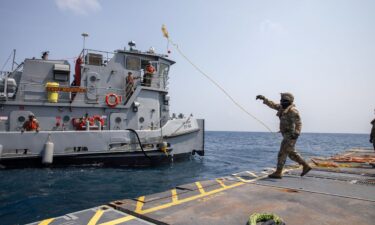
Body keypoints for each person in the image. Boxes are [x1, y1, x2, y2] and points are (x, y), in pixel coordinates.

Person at [256, 92, 311, 179]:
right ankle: (306, 165)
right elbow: (272, 104)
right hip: (285, 134)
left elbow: (299, 123)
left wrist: (297, 132)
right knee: (291, 153)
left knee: (282, 153)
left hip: (291, 135)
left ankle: (278, 172)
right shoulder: (281, 108)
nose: (281, 102)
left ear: (288, 101)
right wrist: (263, 98)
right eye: (281, 100)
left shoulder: (293, 111)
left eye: (283, 100)